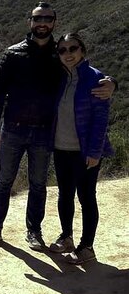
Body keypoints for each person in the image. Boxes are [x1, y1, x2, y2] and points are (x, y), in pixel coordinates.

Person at [0, 2, 115, 250]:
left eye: (47, 18)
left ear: (54, 22)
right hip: (13, 128)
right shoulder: (13, 54)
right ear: (30, 23)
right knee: (3, 181)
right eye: (37, 18)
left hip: (44, 132)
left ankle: (34, 232)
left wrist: (113, 83)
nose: (42, 23)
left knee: (38, 184)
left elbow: (87, 75)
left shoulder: (60, 55)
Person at [48, 33, 113, 264]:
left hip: (84, 151)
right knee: (64, 195)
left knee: (86, 197)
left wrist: (95, 152)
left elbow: (100, 121)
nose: (68, 54)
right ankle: (67, 237)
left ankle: (87, 246)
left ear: (82, 51)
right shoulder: (60, 79)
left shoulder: (95, 79)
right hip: (60, 148)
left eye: (72, 48)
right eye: (63, 50)